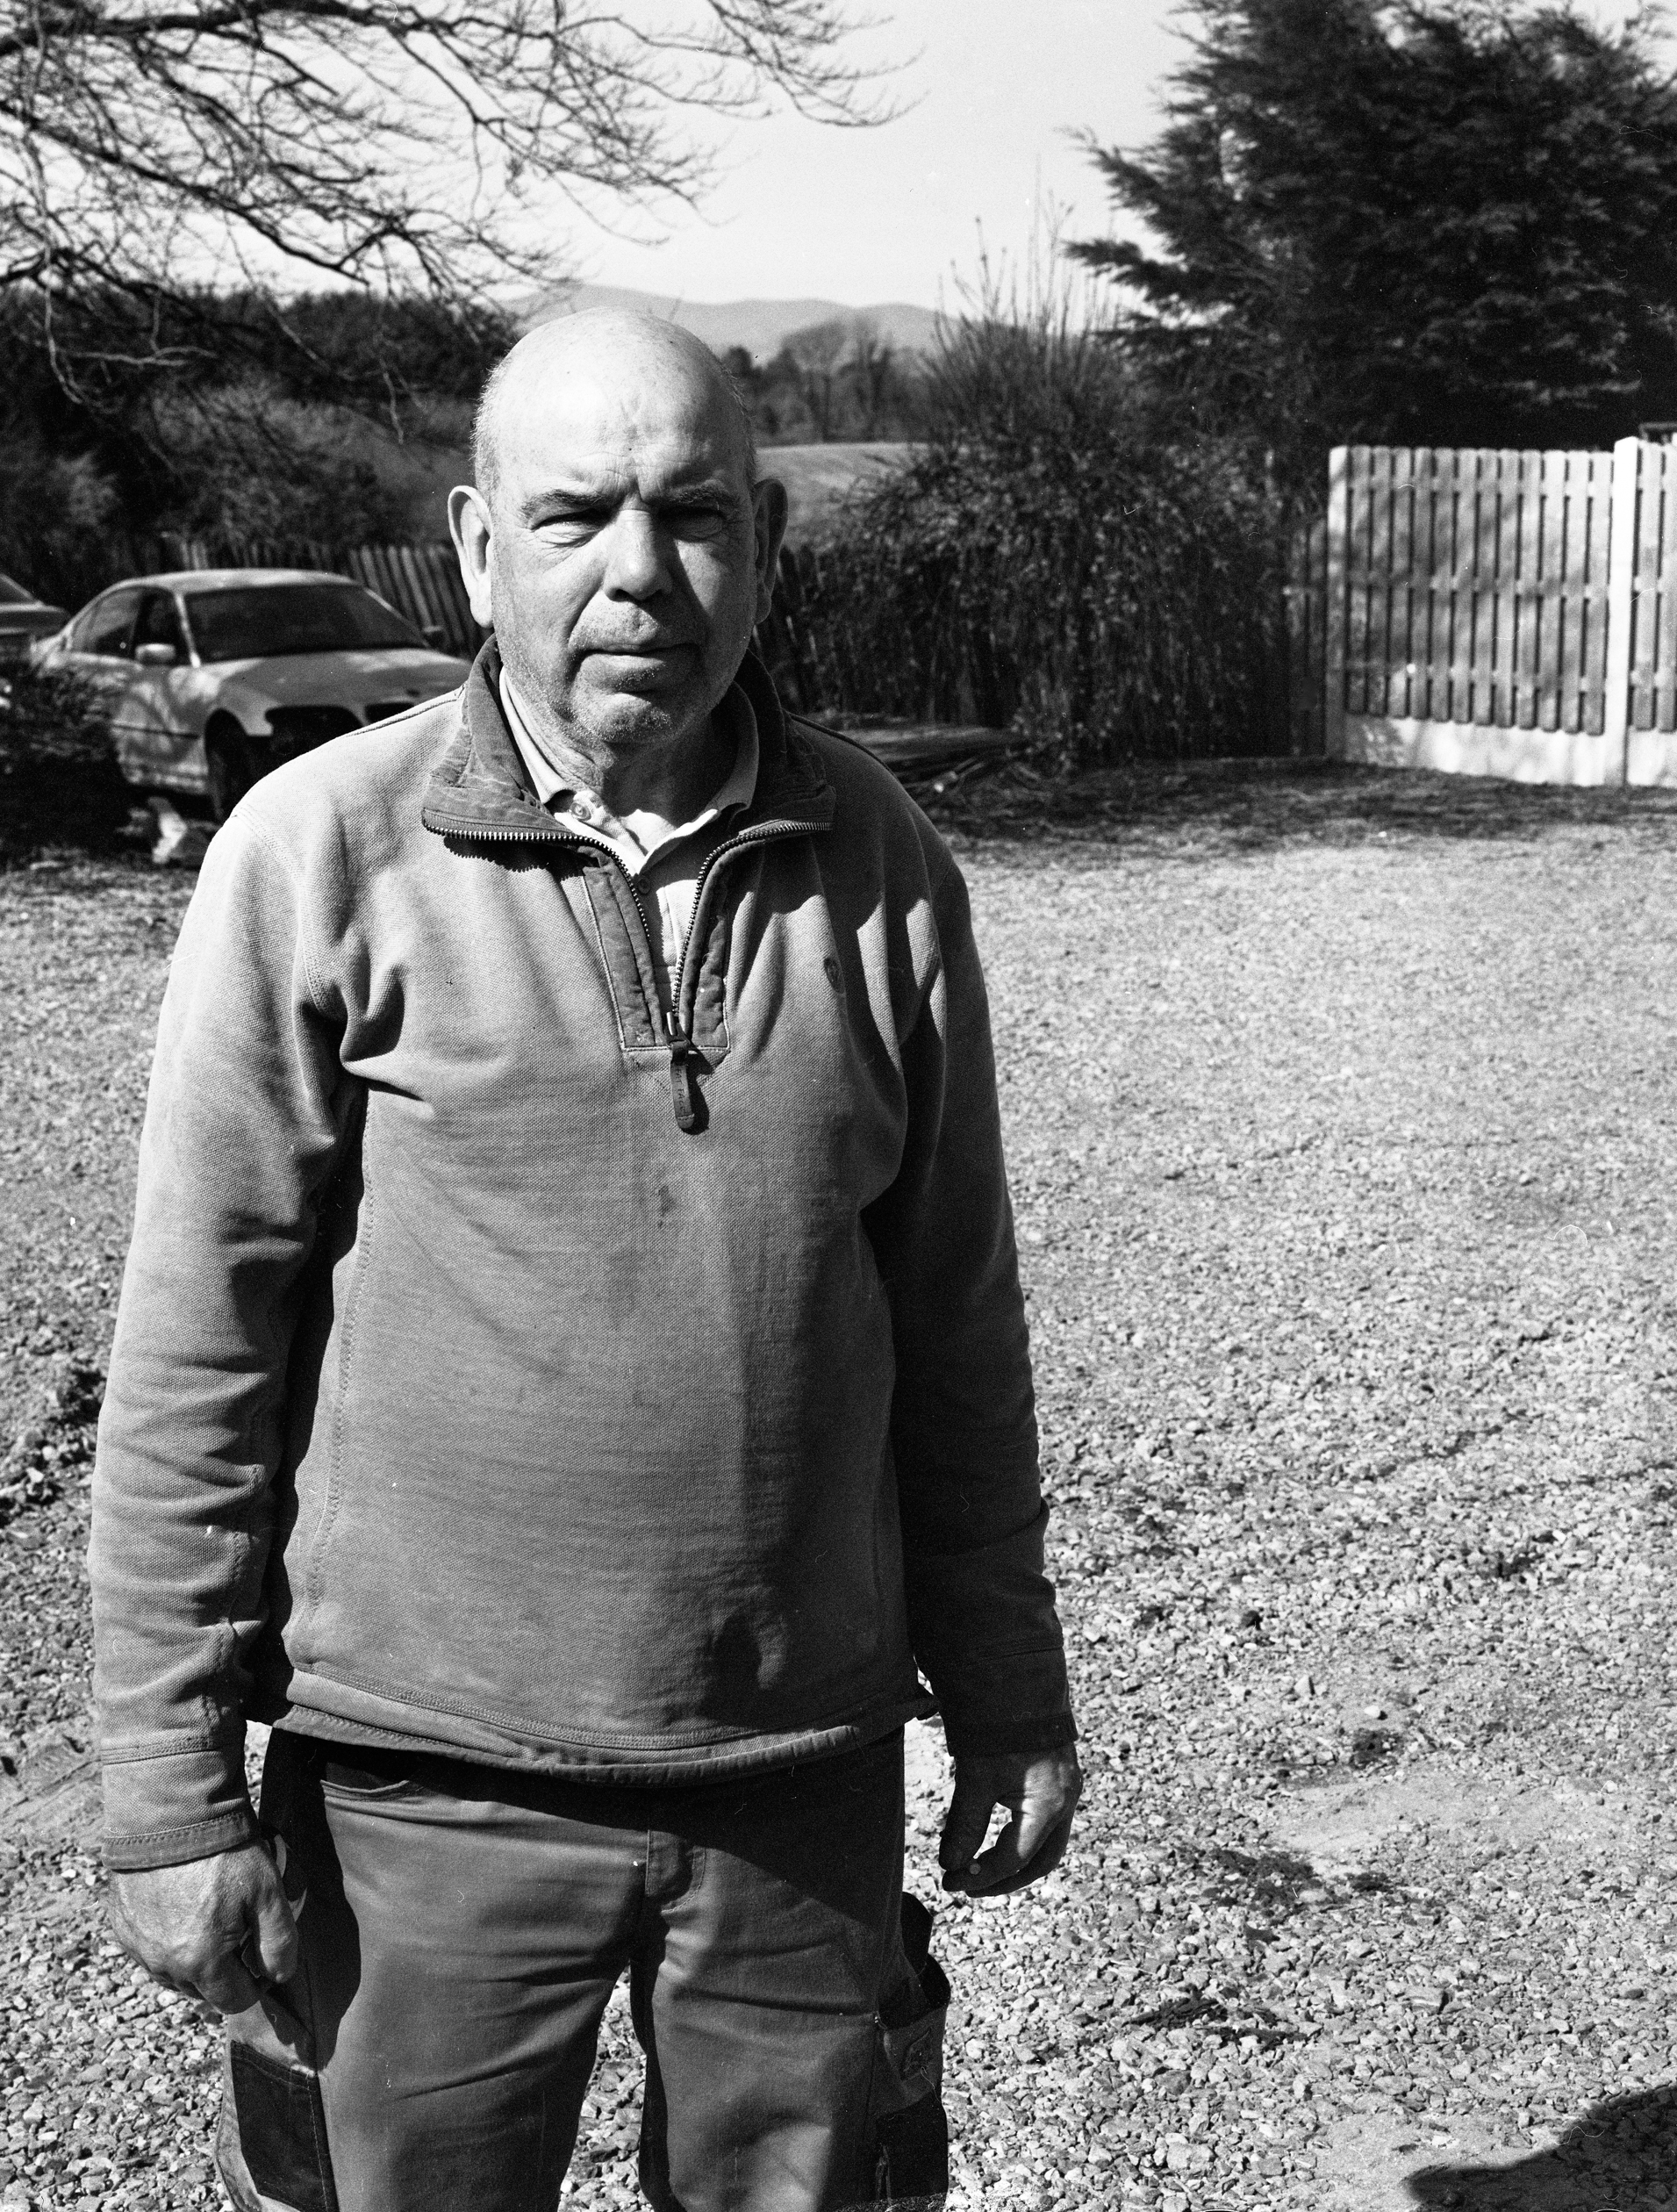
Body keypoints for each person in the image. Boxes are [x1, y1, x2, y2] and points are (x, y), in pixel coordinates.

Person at [88, 310, 1079, 2212]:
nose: (639, 571)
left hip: (793, 1774)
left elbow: (953, 1323)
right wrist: (169, 1791)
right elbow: (198, 1350)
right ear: (476, 550)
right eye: (574, 517)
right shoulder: (317, 854)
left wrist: (1010, 1691)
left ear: (766, 541)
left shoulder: (878, 862)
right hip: (421, 1788)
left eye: (693, 514)